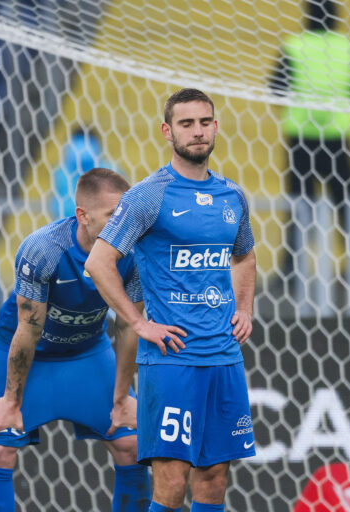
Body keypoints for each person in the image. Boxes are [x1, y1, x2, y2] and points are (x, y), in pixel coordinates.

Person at [85, 88, 257, 512]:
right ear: (167, 131)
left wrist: (245, 308)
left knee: (214, 480)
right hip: (171, 359)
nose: (197, 132)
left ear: (215, 127)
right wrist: (139, 323)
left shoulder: (232, 197)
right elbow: (98, 262)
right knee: (170, 482)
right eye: (186, 124)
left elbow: (245, 254)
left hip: (223, 356)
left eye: (204, 122)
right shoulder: (148, 195)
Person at [0, 167, 151, 512]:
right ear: (82, 216)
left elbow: (129, 327)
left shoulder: (133, 255)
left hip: (87, 351)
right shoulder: (44, 249)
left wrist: (122, 397)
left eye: (126, 215)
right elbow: (28, 329)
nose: (123, 224)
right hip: (30, 353)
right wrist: (11, 402)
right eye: (113, 215)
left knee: (131, 444)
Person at [270, 0, 350, 315]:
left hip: (302, 138)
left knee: (299, 205)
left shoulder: (293, 46)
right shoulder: (349, 47)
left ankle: (291, 269)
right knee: (346, 205)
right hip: (338, 137)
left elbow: (275, 87)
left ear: (307, 15)